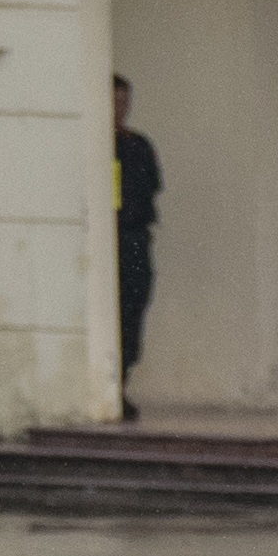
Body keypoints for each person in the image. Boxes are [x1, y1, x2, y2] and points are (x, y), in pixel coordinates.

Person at [112, 79, 161, 421]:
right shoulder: (97, 143)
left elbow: (152, 188)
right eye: (114, 102)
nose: (120, 109)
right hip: (108, 238)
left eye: (124, 102)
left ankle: (122, 383)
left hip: (133, 238)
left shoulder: (137, 144)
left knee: (132, 312)